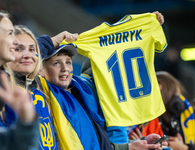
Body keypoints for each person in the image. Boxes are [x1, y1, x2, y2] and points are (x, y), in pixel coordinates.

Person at [38, 42, 167, 150]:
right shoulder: (40, 96)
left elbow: (98, 143)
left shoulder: (81, 94)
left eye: (68, 62)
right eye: (56, 63)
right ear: (40, 70)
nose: (65, 68)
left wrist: (137, 143)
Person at [0, 11, 39, 150]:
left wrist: (27, 122)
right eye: (10, 33)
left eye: (32, 49)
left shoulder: (45, 91)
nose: (15, 40)